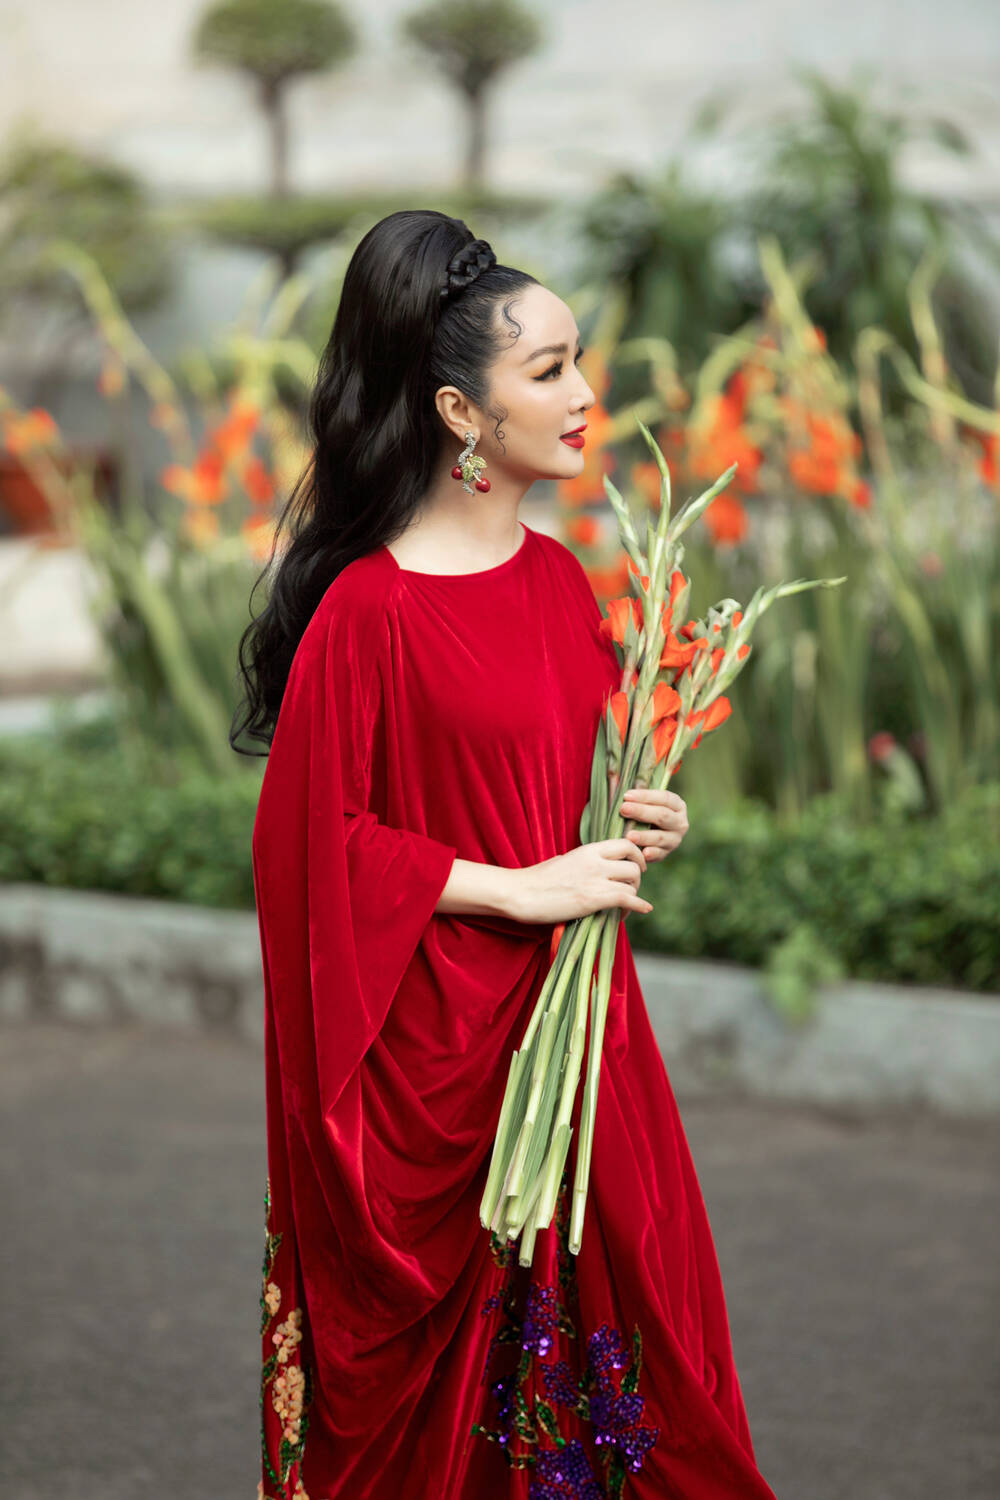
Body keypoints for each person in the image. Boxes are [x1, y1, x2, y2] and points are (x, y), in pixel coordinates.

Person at [232, 209, 779, 1500]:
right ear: (461, 414)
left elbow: (561, 791)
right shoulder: (368, 611)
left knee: (642, 1382)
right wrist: (519, 889)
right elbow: (312, 846)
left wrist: (634, 820)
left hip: (580, 1043)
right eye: (550, 369)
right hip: (437, 1053)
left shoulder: (561, 584)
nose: (586, 395)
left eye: (579, 360)